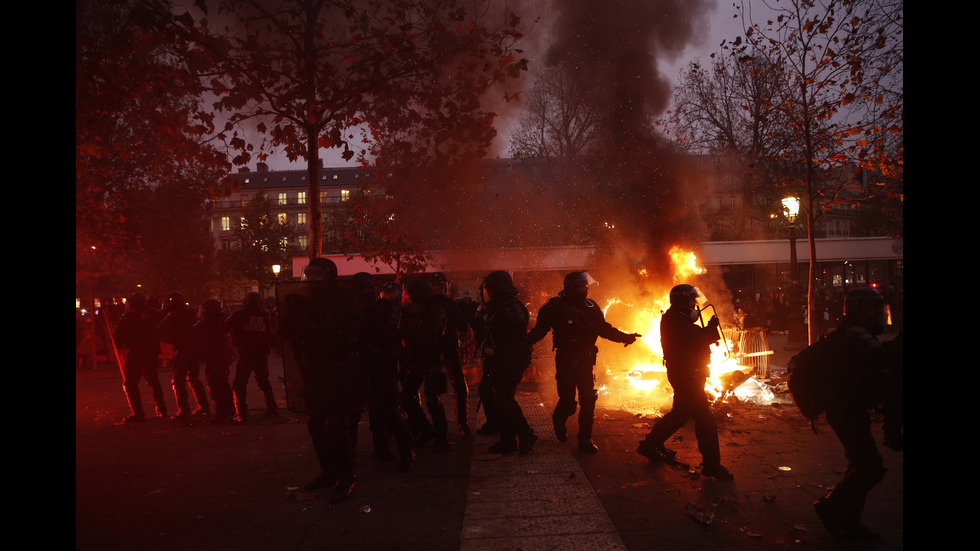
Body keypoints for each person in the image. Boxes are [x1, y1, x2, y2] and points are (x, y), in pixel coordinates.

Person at [813, 286, 898, 541]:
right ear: (859, 310)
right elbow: (881, 362)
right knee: (870, 467)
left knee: (861, 464)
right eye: (873, 309)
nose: (879, 315)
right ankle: (833, 507)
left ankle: (848, 522)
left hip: (848, 407)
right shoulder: (857, 335)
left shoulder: (853, 332)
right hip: (845, 408)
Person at [526, 271, 640, 452]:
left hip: (586, 360)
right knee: (568, 402)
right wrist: (521, 343)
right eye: (582, 287)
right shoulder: (554, 307)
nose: (585, 290)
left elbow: (604, 329)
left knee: (588, 400)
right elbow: (540, 331)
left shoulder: (591, 306)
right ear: (571, 288)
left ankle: (585, 439)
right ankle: (559, 419)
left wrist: (625, 337)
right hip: (565, 360)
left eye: (586, 286)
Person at [636, 284, 733, 480]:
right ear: (682, 301)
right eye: (691, 300)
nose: (695, 304)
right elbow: (696, 339)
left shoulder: (676, 318)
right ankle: (712, 465)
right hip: (687, 375)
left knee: (680, 415)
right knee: (704, 419)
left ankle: (648, 446)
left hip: (687, 374)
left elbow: (694, 337)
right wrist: (711, 330)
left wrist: (706, 331)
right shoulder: (675, 320)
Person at [297, 258, 365, 503]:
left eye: (316, 275)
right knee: (315, 424)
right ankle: (328, 471)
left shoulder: (342, 300)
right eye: (309, 274)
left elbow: (352, 335)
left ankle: (345, 475)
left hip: (338, 370)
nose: (311, 279)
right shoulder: (306, 301)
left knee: (336, 425)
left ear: (328, 276)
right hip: (315, 370)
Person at [477, 270, 537, 455]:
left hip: (511, 359)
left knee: (504, 397)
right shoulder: (498, 307)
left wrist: (501, 357)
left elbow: (516, 340)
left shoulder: (512, 307)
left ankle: (526, 433)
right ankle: (507, 440)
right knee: (497, 397)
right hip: (501, 358)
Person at [359, 277, 415, 472]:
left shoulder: (387, 309)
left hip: (384, 363)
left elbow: (386, 333)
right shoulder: (368, 309)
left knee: (391, 409)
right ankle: (382, 448)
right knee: (376, 408)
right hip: (369, 364)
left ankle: (406, 453)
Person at [399, 278, 450, 452]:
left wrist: (408, 331)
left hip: (431, 359)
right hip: (416, 359)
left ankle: (442, 438)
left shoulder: (435, 311)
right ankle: (425, 429)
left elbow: (431, 337)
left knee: (432, 399)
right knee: (406, 397)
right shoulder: (411, 311)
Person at [114, 292, 168, 423]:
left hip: (137, 351)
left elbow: (118, 335)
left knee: (130, 382)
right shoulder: (154, 314)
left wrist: (117, 345)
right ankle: (162, 409)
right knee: (152, 379)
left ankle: (138, 413)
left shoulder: (129, 316)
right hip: (151, 350)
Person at [429, 272, 472, 437]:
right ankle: (460, 425)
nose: (436, 287)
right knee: (453, 387)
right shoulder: (448, 304)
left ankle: (450, 428)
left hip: (441, 349)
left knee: (446, 388)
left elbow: (461, 325)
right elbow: (462, 325)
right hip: (444, 349)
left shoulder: (428, 305)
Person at [225, 292, 278, 423]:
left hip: (246, 353)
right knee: (263, 381)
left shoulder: (240, 314)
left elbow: (225, 326)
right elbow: (269, 333)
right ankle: (273, 408)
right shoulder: (264, 314)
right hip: (261, 353)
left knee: (239, 383)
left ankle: (241, 413)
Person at [158, 292, 209, 420]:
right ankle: (204, 406)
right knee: (193, 378)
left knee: (178, 380)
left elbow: (159, 329)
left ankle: (184, 410)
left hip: (183, 349)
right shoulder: (190, 313)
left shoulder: (172, 315)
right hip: (194, 350)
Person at [193, 299, 236, 422]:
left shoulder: (206, 323)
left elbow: (192, 330)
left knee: (215, 383)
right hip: (223, 355)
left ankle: (221, 412)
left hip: (215, 356)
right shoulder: (223, 320)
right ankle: (229, 409)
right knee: (223, 382)